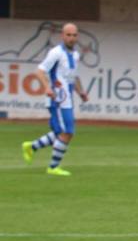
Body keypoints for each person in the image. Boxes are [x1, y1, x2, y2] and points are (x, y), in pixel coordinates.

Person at [22, 23, 89, 176]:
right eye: (68, 35)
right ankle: (53, 167)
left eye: (74, 35)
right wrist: (47, 87)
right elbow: (39, 71)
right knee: (68, 131)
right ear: (62, 36)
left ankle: (31, 147)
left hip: (68, 98)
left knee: (60, 131)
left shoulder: (76, 55)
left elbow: (74, 77)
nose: (71, 38)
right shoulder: (56, 52)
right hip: (58, 99)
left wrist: (81, 92)